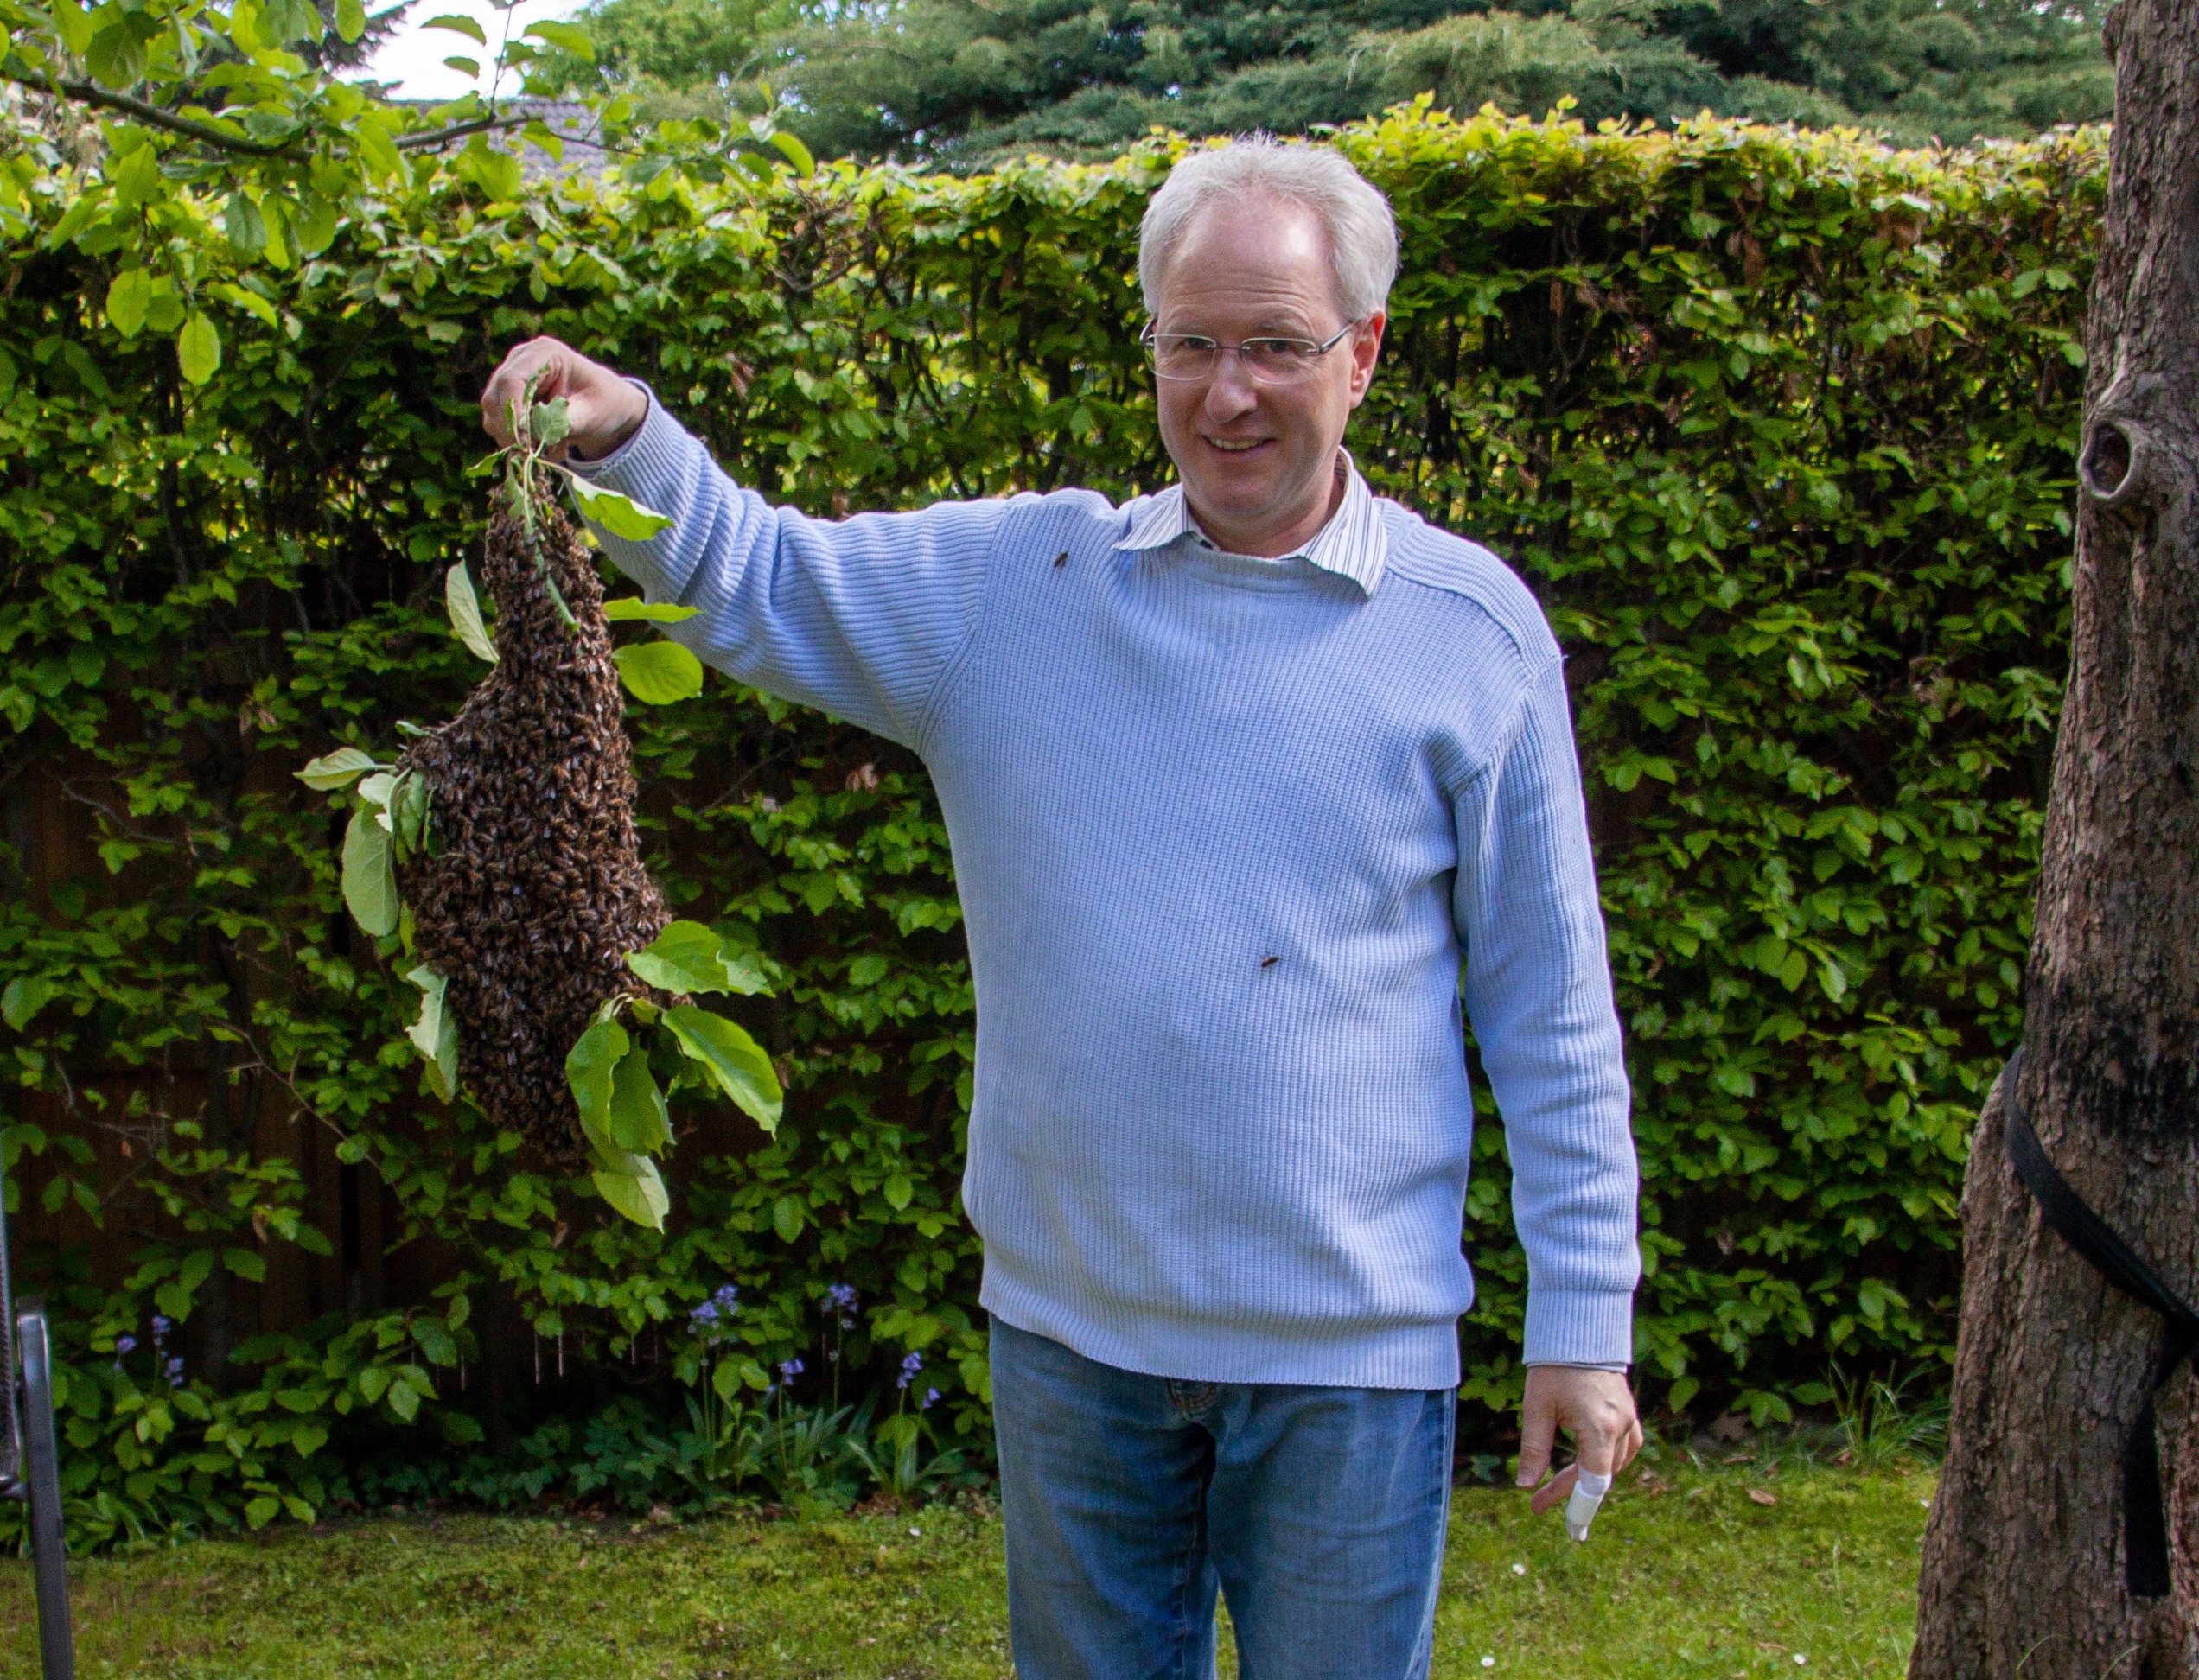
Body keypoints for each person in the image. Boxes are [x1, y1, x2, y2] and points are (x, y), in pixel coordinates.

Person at [481, 135, 1641, 1680]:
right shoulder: (1014, 587)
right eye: (1191, 345)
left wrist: (1581, 1319)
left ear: (1361, 354)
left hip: (1349, 1368)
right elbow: (758, 579)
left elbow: (1552, 1008)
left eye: (1277, 346)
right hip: (1074, 1349)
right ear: (1152, 349)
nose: (1228, 392)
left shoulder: (1471, 635)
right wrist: (628, 438)